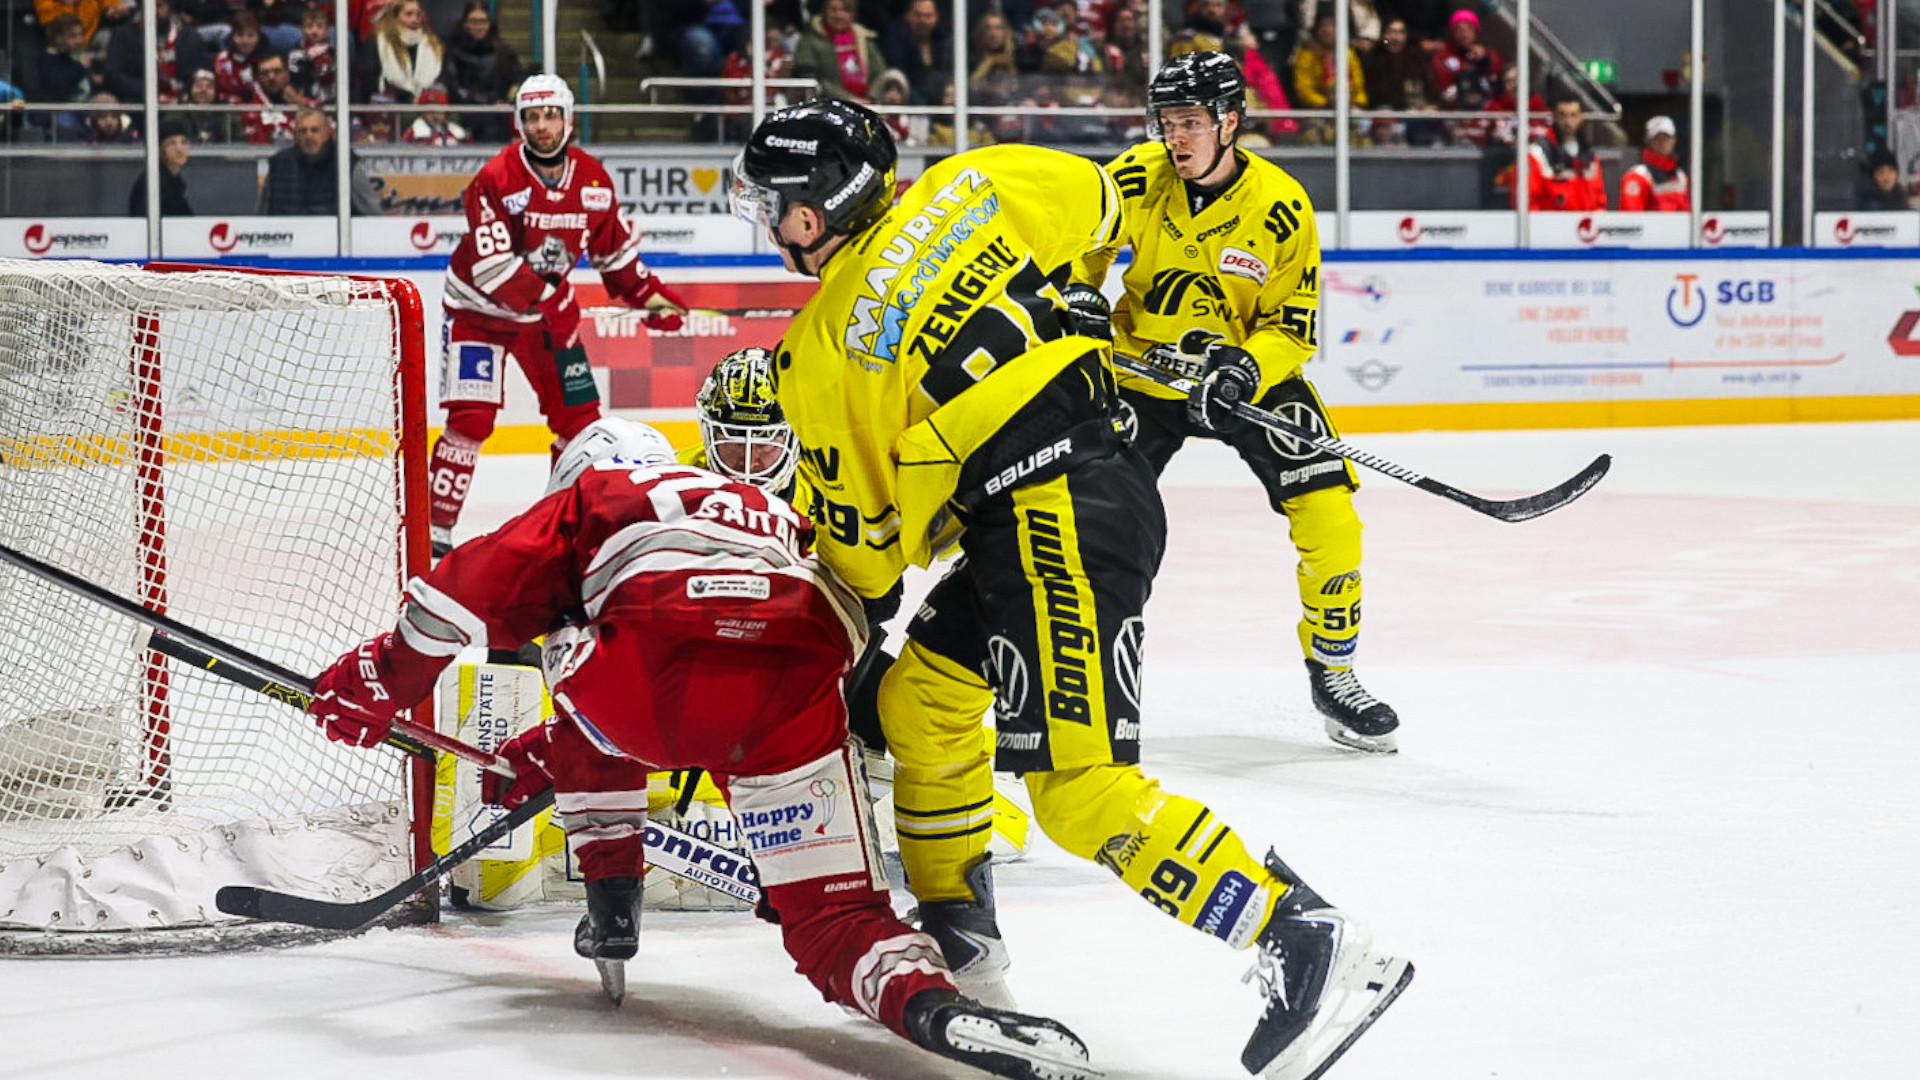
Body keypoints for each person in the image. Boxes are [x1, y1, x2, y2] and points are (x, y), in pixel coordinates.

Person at [732, 97, 1413, 1080]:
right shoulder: (975, 180)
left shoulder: (821, 348)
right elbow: (1108, 208)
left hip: (1050, 514)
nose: (768, 222)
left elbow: (870, 562)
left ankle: (1305, 938)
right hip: (1085, 486)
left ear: (811, 211)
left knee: (1078, 790)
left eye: (771, 204)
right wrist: (1088, 297)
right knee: (922, 705)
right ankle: (962, 941)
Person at [304, 418, 1095, 1080]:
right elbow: (816, 629)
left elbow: (459, 593)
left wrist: (376, 680)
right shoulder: (765, 504)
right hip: (799, 681)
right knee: (834, 916)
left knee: (570, 628)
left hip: (647, 681)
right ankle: (931, 1006)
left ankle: (613, 898)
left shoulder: (595, 494)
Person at [1076, 50, 1397, 754]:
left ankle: (1334, 671)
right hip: (1145, 373)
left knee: (1331, 518)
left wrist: (1246, 368)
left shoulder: (1280, 206)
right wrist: (1077, 298)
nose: (1176, 137)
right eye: (1167, 122)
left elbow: (1292, 328)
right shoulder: (1135, 176)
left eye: (1191, 122)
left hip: (1247, 374)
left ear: (1230, 121)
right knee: (1097, 519)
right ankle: (1085, 676)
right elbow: (1082, 256)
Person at [427, 75, 688, 557]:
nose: (542, 126)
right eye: (532, 117)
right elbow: (491, 266)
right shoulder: (496, 177)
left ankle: (557, 523)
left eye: (551, 115)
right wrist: (551, 299)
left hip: (548, 319)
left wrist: (652, 299)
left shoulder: (593, 181)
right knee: (470, 419)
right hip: (477, 315)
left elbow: (616, 257)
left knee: (581, 424)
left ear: (568, 119)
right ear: (519, 123)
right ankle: (434, 529)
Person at [261, 106, 380, 213]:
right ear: (295, 135)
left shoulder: (346, 164)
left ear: (327, 133)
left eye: (315, 130)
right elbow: (261, 215)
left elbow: (374, 215)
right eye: (303, 131)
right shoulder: (279, 164)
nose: (309, 136)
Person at [442, 0, 522, 141]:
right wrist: (488, 101)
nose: (479, 26)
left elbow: (515, 81)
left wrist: (509, 99)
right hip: (464, 119)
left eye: (483, 21)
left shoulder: (504, 52)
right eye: (473, 21)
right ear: (465, 23)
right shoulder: (453, 52)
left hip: (498, 120)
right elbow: (454, 87)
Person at [1525, 91, 1606, 211]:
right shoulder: (1537, 153)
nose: (1568, 122)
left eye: (1573, 115)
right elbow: (1530, 203)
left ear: (1581, 117)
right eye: (1562, 115)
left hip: (1584, 221)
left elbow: (1599, 201)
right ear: (1554, 116)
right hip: (1551, 221)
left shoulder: (1590, 156)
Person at [792, 0, 885, 103]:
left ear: (853, 14)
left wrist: (872, 98)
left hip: (869, 102)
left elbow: (880, 72)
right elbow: (813, 79)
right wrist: (848, 99)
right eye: (833, 10)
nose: (839, 15)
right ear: (824, 12)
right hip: (827, 104)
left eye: (845, 10)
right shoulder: (810, 41)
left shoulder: (866, 40)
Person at [355, 0, 442, 103]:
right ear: (394, 18)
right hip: (389, 104)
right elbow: (370, 83)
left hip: (429, 103)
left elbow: (442, 78)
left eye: (418, 14)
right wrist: (409, 98)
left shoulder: (433, 44)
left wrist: (425, 98)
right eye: (409, 14)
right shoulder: (375, 44)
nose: (415, 20)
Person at [1617, 115, 1689, 212]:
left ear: (1674, 140)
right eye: (1657, 138)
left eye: (1666, 138)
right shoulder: (1636, 176)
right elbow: (1631, 216)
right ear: (1648, 141)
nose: (1662, 142)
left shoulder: (1681, 177)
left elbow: (1688, 214)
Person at [128, 118, 195, 215]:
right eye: (172, 144)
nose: (179, 149)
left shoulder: (175, 182)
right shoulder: (152, 183)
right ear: (159, 150)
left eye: (184, 143)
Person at [240, 51, 307, 144]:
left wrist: (301, 110)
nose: (271, 77)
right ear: (258, 78)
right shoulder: (250, 109)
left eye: (277, 71)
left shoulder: (307, 104)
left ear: (287, 74)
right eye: (265, 73)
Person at [287, 3, 337, 104]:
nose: (314, 31)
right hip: (305, 101)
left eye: (319, 26)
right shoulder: (296, 53)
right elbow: (295, 79)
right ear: (302, 30)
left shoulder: (334, 52)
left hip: (331, 101)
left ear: (327, 30)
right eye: (309, 26)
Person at [401, 85, 469, 145]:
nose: (435, 115)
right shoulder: (412, 133)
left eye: (438, 111)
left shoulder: (457, 132)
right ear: (422, 113)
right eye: (430, 111)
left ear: (445, 113)